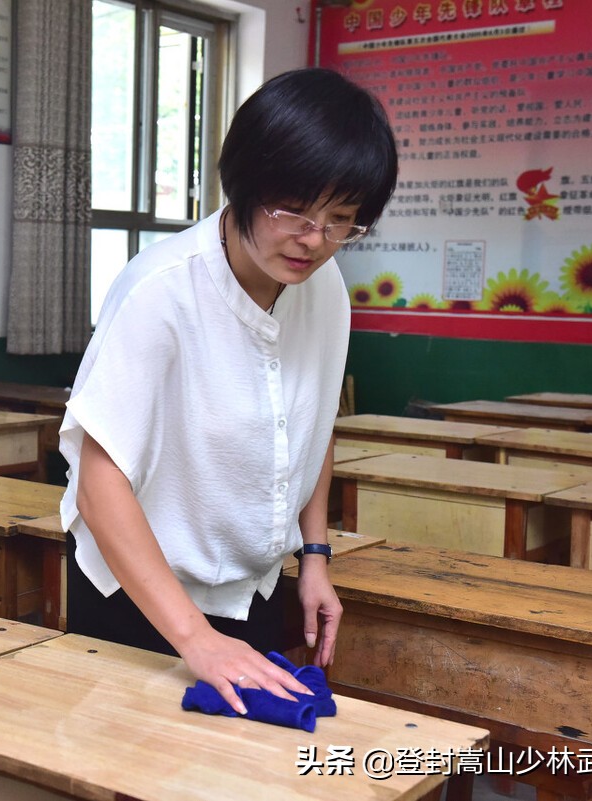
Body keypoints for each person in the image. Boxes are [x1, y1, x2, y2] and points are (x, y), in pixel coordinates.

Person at [58, 68, 398, 715]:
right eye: (294, 210)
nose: (314, 239)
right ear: (242, 183)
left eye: (341, 219)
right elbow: (99, 484)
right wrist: (195, 638)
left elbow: (310, 424)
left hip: (255, 590)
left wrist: (316, 557)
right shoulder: (159, 291)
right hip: (137, 600)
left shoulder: (326, 291)